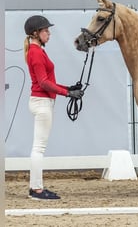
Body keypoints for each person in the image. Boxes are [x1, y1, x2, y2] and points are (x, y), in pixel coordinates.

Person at [23, 15, 83, 200]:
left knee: (38, 147)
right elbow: (43, 83)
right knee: (38, 148)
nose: (49, 33)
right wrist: (67, 94)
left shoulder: (37, 50)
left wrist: (68, 88)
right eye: (45, 30)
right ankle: (37, 190)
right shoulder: (36, 52)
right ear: (35, 33)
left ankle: (36, 188)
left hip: (41, 101)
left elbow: (48, 81)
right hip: (42, 103)